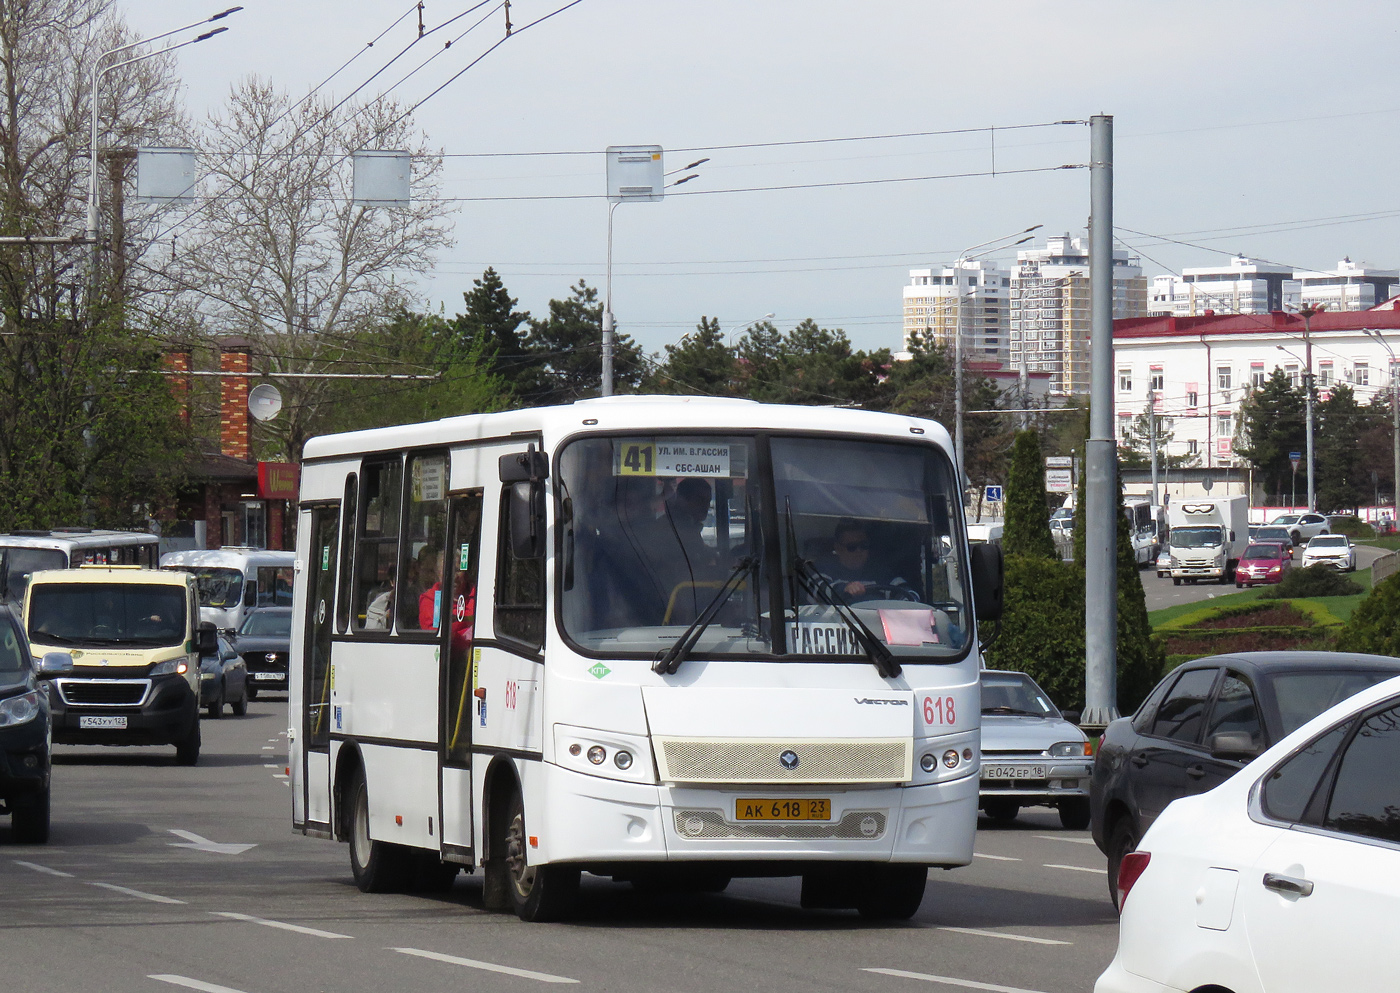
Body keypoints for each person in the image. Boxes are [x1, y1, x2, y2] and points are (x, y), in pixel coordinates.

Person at [818, 518, 908, 600]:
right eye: (852, 547)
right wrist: (844, 589)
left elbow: (907, 593)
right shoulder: (824, 567)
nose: (859, 550)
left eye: (863, 545)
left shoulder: (878, 571)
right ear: (838, 548)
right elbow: (816, 591)